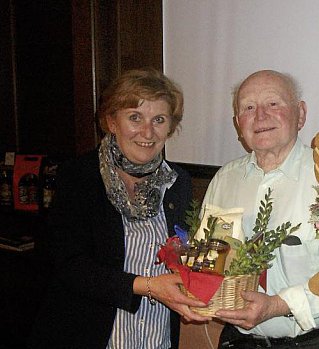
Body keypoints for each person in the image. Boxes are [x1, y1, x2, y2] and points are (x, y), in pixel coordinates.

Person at [29, 69, 210, 349]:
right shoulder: (79, 176)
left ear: (170, 127)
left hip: (156, 332)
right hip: (91, 332)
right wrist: (148, 286)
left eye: (159, 120)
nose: (147, 132)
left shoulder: (178, 183)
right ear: (112, 121)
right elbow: (69, 264)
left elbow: (184, 252)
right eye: (135, 117)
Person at [201, 70, 319, 348]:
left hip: (309, 343)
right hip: (237, 342)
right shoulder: (225, 180)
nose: (260, 116)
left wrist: (277, 306)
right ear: (238, 123)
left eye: (273, 104)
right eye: (248, 108)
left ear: (300, 114)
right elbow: (208, 258)